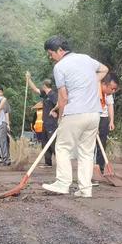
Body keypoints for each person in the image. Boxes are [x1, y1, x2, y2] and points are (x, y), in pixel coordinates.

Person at [41, 36, 108, 198]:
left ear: (60, 50)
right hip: (94, 114)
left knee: (63, 147)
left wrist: (60, 117)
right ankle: (85, 189)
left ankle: (63, 183)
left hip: (75, 113)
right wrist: (89, 82)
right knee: (86, 152)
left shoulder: (60, 67)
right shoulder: (85, 58)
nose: (51, 57)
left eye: (51, 53)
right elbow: (105, 69)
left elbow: (63, 97)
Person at [27, 73, 58, 167]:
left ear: (44, 86)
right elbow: (34, 89)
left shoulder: (53, 94)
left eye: (42, 85)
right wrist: (28, 79)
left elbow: (59, 103)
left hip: (52, 123)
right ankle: (48, 163)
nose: (41, 87)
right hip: (45, 122)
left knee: (53, 143)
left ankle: (62, 162)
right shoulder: (45, 94)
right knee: (44, 142)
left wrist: (54, 110)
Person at [95, 72, 119, 173]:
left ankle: (100, 168)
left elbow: (110, 106)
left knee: (102, 144)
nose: (113, 91)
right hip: (94, 117)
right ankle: (90, 168)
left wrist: (111, 121)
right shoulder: (95, 89)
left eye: (114, 89)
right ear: (105, 84)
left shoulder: (108, 93)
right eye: (112, 88)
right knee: (91, 145)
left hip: (104, 119)